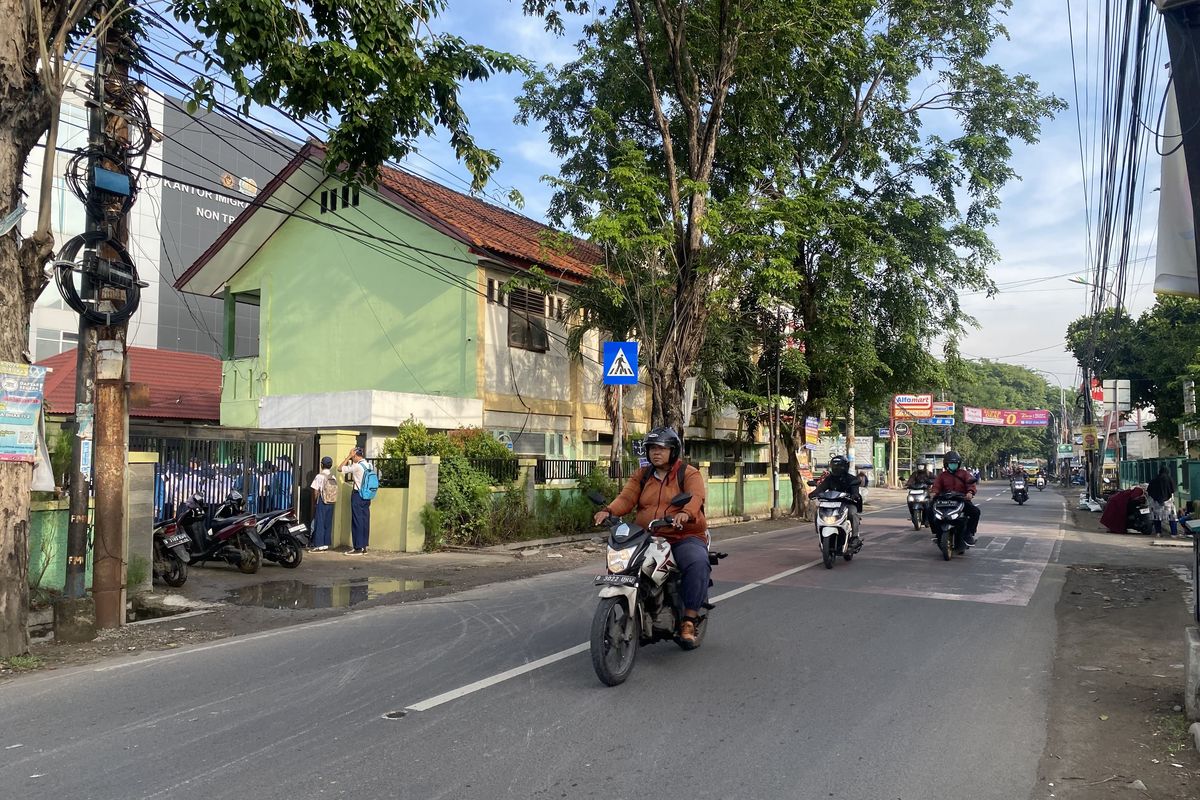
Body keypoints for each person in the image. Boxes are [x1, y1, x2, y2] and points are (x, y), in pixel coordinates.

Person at [592, 426, 708, 647]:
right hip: (648, 535)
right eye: (652, 448)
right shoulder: (643, 475)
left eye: (662, 448)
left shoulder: (688, 473)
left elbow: (696, 497)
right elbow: (627, 497)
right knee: (628, 563)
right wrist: (609, 511)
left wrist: (685, 513)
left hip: (682, 534)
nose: (656, 452)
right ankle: (641, 607)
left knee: (696, 562)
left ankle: (689, 620)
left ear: (673, 451)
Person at [930, 450, 980, 548]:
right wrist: (933, 493)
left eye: (955, 463)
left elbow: (971, 484)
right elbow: (936, 486)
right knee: (929, 510)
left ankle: (968, 534)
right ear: (946, 464)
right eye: (951, 463)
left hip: (961, 500)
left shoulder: (964, 474)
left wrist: (970, 492)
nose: (953, 465)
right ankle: (937, 532)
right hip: (944, 500)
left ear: (959, 464)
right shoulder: (942, 476)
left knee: (975, 512)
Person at [812, 455, 863, 545]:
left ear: (845, 467)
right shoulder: (829, 479)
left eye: (839, 466)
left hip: (847, 503)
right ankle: (820, 531)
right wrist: (814, 493)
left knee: (852, 513)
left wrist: (854, 495)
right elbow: (821, 488)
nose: (837, 468)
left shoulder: (852, 479)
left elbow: (855, 491)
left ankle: (855, 537)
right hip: (832, 504)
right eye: (834, 466)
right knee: (818, 511)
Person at [340, 447, 372, 554]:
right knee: (364, 521)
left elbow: (340, 468)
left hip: (358, 495)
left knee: (357, 521)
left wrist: (348, 457)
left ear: (355, 455)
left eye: (352, 455)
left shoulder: (357, 466)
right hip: (367, 496)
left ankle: (357, 548)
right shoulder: (369, 465)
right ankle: (364, 547)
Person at [309, 456, 337, 551]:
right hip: (331, 501)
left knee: (319, 522)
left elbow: (315, 491)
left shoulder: (319, 476)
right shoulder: (333, 476)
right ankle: (326, 543)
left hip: (322, 501)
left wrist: (314, 502)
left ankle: (318, 544)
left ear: (322, 465)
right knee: (328, 523)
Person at [1146, 466, 1176, 537]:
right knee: (1172, 517)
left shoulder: (1154, 480)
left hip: (1157, 502)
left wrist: (1156, 497)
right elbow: (1173, 490)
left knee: (1157, 517)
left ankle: (1158, 533)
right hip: (1168, 502)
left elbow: (1149, 491)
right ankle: (1174, 534)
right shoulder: (1169, 479)